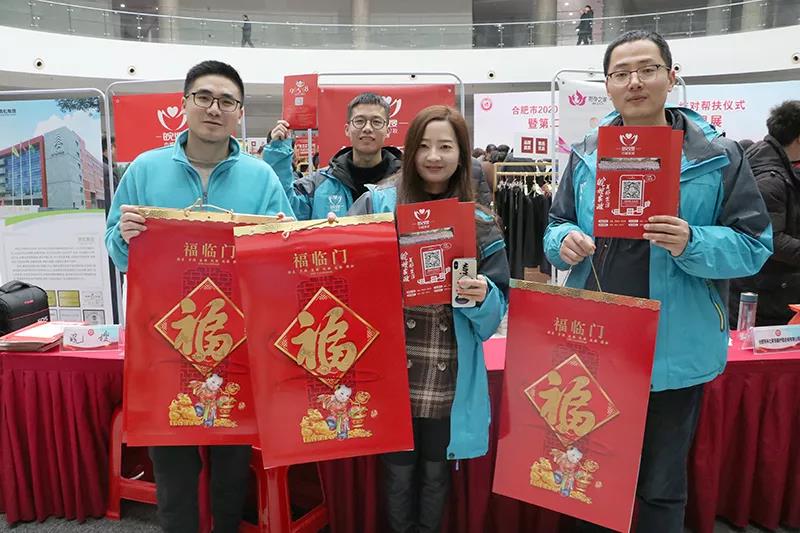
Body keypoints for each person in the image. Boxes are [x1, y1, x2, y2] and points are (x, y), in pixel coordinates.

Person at [544, 30, 772, 533]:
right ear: (608, 84)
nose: (635, 82)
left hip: (675, 345)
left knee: (661, 486)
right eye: (621, 73)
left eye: (647, 69)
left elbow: (754, 245)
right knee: (586, 479)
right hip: (597, 344)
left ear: (671, 77)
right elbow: (556, 224)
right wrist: (563, 241)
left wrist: (692, 241)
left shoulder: (718, 155)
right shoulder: (585, 155)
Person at [104, 60, 293, 533]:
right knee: (173, 471)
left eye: (227, 101)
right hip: (164, 344)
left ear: (239, 113)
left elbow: (285, 255)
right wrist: (125, 236)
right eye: (204, 97)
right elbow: (116, 249)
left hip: (238, 346)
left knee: (232, 468)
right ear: (184, 104)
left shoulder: (262, 178)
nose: (214, 108)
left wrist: (280, 240)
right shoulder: (145, 170)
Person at [349, 105, 510, 533]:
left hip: (448, 369)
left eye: (445, 146)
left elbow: (494, 316)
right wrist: (338, 238)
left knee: (437, 472)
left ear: (462, 154)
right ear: (409, 151)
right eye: (423, 146)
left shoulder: (480, 222)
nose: (434, 157)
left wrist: (482, 296)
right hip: (391, 367)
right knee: (398, 470)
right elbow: (345, 278)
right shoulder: (377, 204)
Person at [264, 92, 402, 220]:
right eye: (359, 121)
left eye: (376, 122)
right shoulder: (318, 184)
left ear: (388, 130)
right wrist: (278, 154)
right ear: (347, 129)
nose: (367, 128)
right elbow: (287, 207)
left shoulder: (405, 183)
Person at [730, 100, 800, 326]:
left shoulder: (759, 155)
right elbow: (771, 239)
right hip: (763, 295)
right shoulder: (771, 180)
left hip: (763, 288)